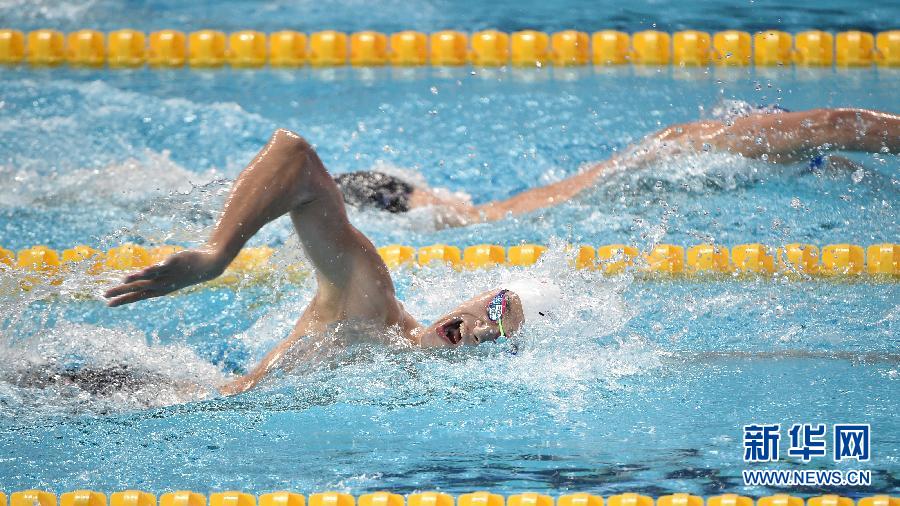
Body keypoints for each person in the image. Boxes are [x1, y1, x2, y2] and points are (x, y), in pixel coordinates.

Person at [104, 107, 899, 396]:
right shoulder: (371, 303)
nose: (483, 326)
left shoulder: (400, 367)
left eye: (502, 327)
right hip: (131, 387)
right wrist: (216, 254)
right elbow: (296, 153)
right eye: (493, 304)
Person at [332, 107, 900, 226]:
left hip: (659, 160)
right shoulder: (476, 215)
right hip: (651, 162)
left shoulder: (472, 218)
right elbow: (832, 123)